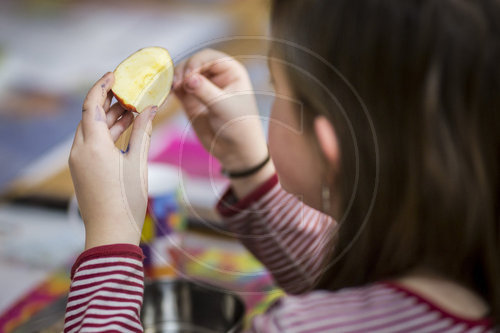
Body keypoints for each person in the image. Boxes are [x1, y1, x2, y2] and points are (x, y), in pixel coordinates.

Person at [63, 0, 499, 331]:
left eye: (275, 89)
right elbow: (345, 274)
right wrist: (249, 169)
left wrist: (111, 236)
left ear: (329, 146)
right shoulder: (464, 266)